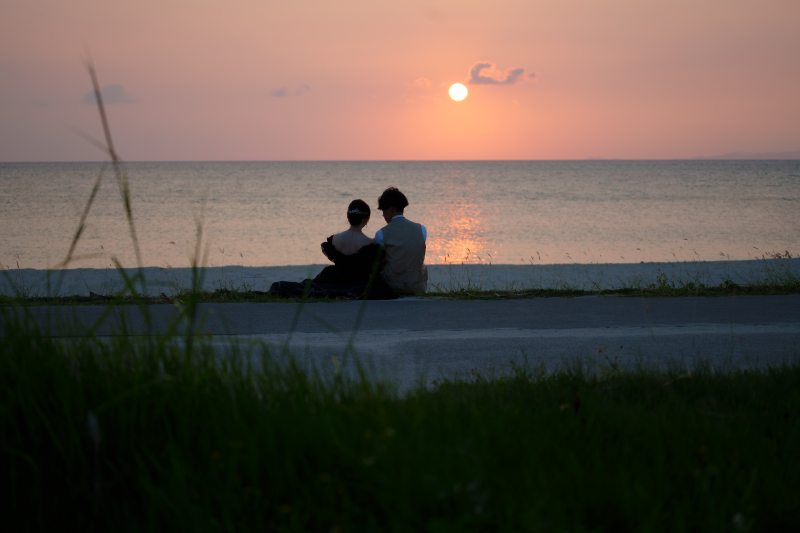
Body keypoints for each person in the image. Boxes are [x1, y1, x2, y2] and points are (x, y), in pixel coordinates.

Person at [267, 199, 397, 300]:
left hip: (334, 277)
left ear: (348, 217)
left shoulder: (334, 239)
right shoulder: (370, 243)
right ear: (366, 220)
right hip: (359, 281)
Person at [374, 187, 428, 294]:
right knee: (422, 265)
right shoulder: (421, 229)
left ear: (391, 209)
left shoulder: (381, 233)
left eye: (383, 210)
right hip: (418, 286)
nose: (383, 215)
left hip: (392, 287)